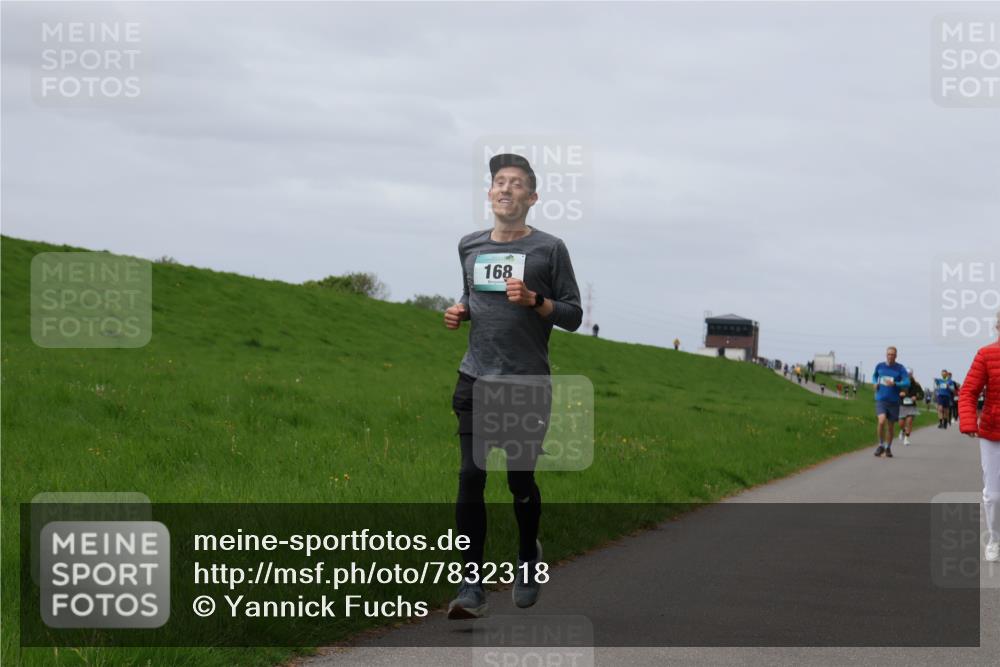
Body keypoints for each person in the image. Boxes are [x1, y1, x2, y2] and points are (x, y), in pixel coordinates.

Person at [443, 153, 582, 618]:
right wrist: (460, 310)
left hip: (525, 384)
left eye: (516, 183)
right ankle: (471, 586)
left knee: (519, 480)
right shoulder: (469, 246)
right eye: (498, 182)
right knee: (470, 477)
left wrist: (536, 300)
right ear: (489, 194)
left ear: (532, 197)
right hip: (475, 377)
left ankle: (527, 557)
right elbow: (470, 294)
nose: (505, 189)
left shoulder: (550, 249)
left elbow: (573, 315)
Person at [958, 311, 1000, 562]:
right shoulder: (986, 354)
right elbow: (968, 391)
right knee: (994, 494)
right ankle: (995, 539)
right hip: (992, 432)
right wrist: (967, 420)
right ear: (998, 325)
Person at [872, 346, 910, 458]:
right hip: (881, 399)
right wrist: (875, 383)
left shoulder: (900, 368)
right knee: (881, 420)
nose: (890, 356)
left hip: (894, 401)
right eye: (889, 354)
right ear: (886, 355)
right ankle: (880, 445)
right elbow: (875, 376)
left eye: (893, 354)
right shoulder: (880, 366)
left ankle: (888, 448)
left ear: (896, 356)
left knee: (890, 426)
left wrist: (896, 384)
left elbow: (907, 383)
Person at [898, 368, 923, 446]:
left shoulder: (916, 384)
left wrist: (916, 397)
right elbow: (894, 392)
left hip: (911, 406)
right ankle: (903, 430)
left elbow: (922, 394)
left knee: (909, 421)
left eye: (910, 374)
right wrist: (899, 394)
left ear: (912, 375)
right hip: (902, 405)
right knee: (901, 424)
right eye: (907, 374)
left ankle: (906, 438)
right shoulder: (901, 383)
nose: (908, 375)